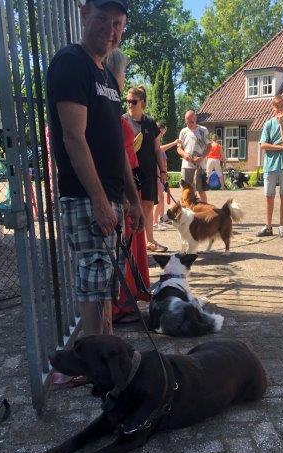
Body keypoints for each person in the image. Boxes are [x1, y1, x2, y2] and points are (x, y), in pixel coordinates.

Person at [47, 0, 144, 345]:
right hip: (86, 196)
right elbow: (73, 137)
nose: (111, 30)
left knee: (105, 281)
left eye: (119, 23)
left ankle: (108, 349)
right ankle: (93, 360)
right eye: (104, 19)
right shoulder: (71, 63)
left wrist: (132, 199)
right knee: (92, 280)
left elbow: (118, 147)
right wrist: (100, 202)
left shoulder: (107, 77)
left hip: (111, 196)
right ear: (85, 14)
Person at [106, 49, 150, 324]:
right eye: (123, 73)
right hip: (120, 192)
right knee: (123, 250)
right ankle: (120, 304)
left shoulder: (110, 113)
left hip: (119, 190)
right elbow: (124, 164)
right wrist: (130, 200)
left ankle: (122, 302)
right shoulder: (116, 118)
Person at [124, 86, 168, 252]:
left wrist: (162, 171)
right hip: (129, 172)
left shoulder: (150, 122)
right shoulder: (122, 120)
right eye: (127, 101)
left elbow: (157, 149)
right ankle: (134, 245)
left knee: (148, 206)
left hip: (148, 172)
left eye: (133, 101)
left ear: (142, 103)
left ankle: (150, 241)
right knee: (131, 206)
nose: (130, 104)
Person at [257, 95, 283, 238]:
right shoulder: (267, 124)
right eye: (277, 106)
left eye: (282, 106)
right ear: (273, 108)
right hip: (270, 166)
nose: (279, 109)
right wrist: (280, 148)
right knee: (269, 197)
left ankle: (281, 225)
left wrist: (281, 125)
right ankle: (268, 227)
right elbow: (263, 145)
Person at [177, 110, 211, 203]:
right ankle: (185, 212)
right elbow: (179, 149)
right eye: (187, 122)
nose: (189, 124)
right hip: (186, 166)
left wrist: (202, 157)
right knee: (185, 191)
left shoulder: (203, 130)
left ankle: (204, 211)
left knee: (201, 191)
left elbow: (209, 147)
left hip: (200, 166)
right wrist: (185, 155)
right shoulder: (183, 132)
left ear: (196, 119)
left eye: (192, 122)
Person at [153, 122, 179, 230]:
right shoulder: (154, 143)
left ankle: (160, 219)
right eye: (161, 133)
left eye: (163, 133)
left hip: (161, 176)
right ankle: (154, 222)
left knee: (162, 198)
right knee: (159, 198)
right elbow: (160, 149)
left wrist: (166, 174)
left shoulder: (158, 142)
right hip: (155, 176)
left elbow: (164, 162)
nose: (162, 135)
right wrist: (174, 143)